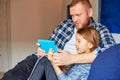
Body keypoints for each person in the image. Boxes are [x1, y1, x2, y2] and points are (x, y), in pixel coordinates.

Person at [1, 0, 116, 79]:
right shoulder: (65, 24)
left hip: (61, 67)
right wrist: (43, 50)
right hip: (42, 58)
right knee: (11, 76)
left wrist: (71, 58)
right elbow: (51, 43)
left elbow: (110, 54)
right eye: (72, 15)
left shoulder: (99, 30)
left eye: (78, 15)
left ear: (89, 12)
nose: (74, 19)